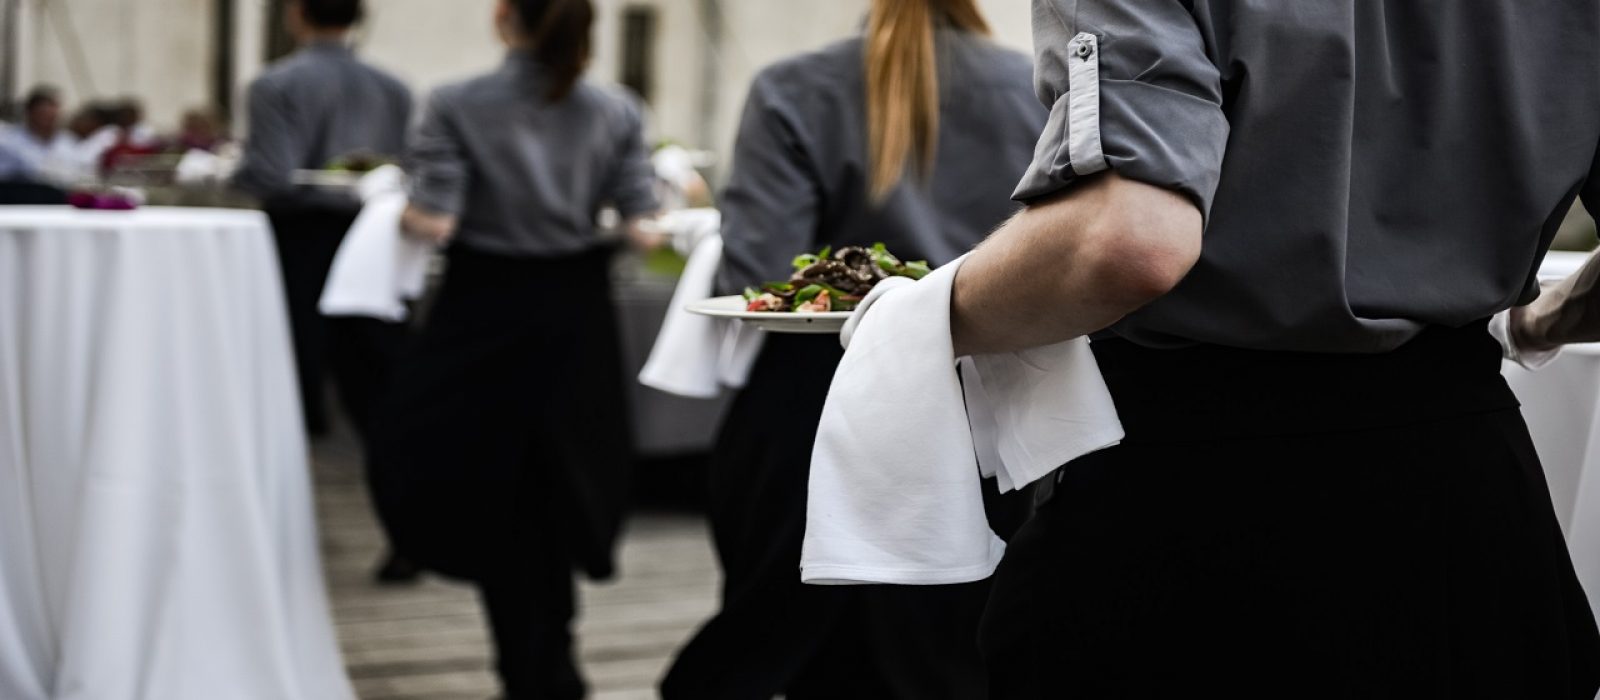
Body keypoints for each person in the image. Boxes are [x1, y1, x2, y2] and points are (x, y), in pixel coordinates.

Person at [950, 2, 1600, 697]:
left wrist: (928, 315)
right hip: (1471, 513)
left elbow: (1132, 241)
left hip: (1189, 518)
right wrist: (1538, 323)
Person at [659, 2, 1044, 698]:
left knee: (800, 648)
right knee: (948, 652)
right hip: (978, 403)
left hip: (817, 399)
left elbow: (758, 273)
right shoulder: (1036, 83)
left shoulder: (792, 85)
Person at [364, 0, 660, 696]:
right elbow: (644, 226)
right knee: (561, 485)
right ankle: (551, 655)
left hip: (483, 313)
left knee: (488, 488)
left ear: (503, 18)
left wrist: (385, 206)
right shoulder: (617, 109)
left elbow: (435, 220)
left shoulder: (455, 102)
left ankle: (530, 664)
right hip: (576, 314)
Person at [232, 0, 412, 444]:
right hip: (372, 227)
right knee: (370, 336)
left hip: (303, 228)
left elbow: (274, 174)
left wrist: (234, 172)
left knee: (299, 332)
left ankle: (303, 426)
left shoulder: (276, 84)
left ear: (297, 14)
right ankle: (382, 428)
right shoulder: (394, 88)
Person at [0, 86, 76, 185]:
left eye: (52, 116)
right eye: (43, 114)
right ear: (29, 113)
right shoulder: (7, 141)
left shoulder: (69, 142)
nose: (48, 120)